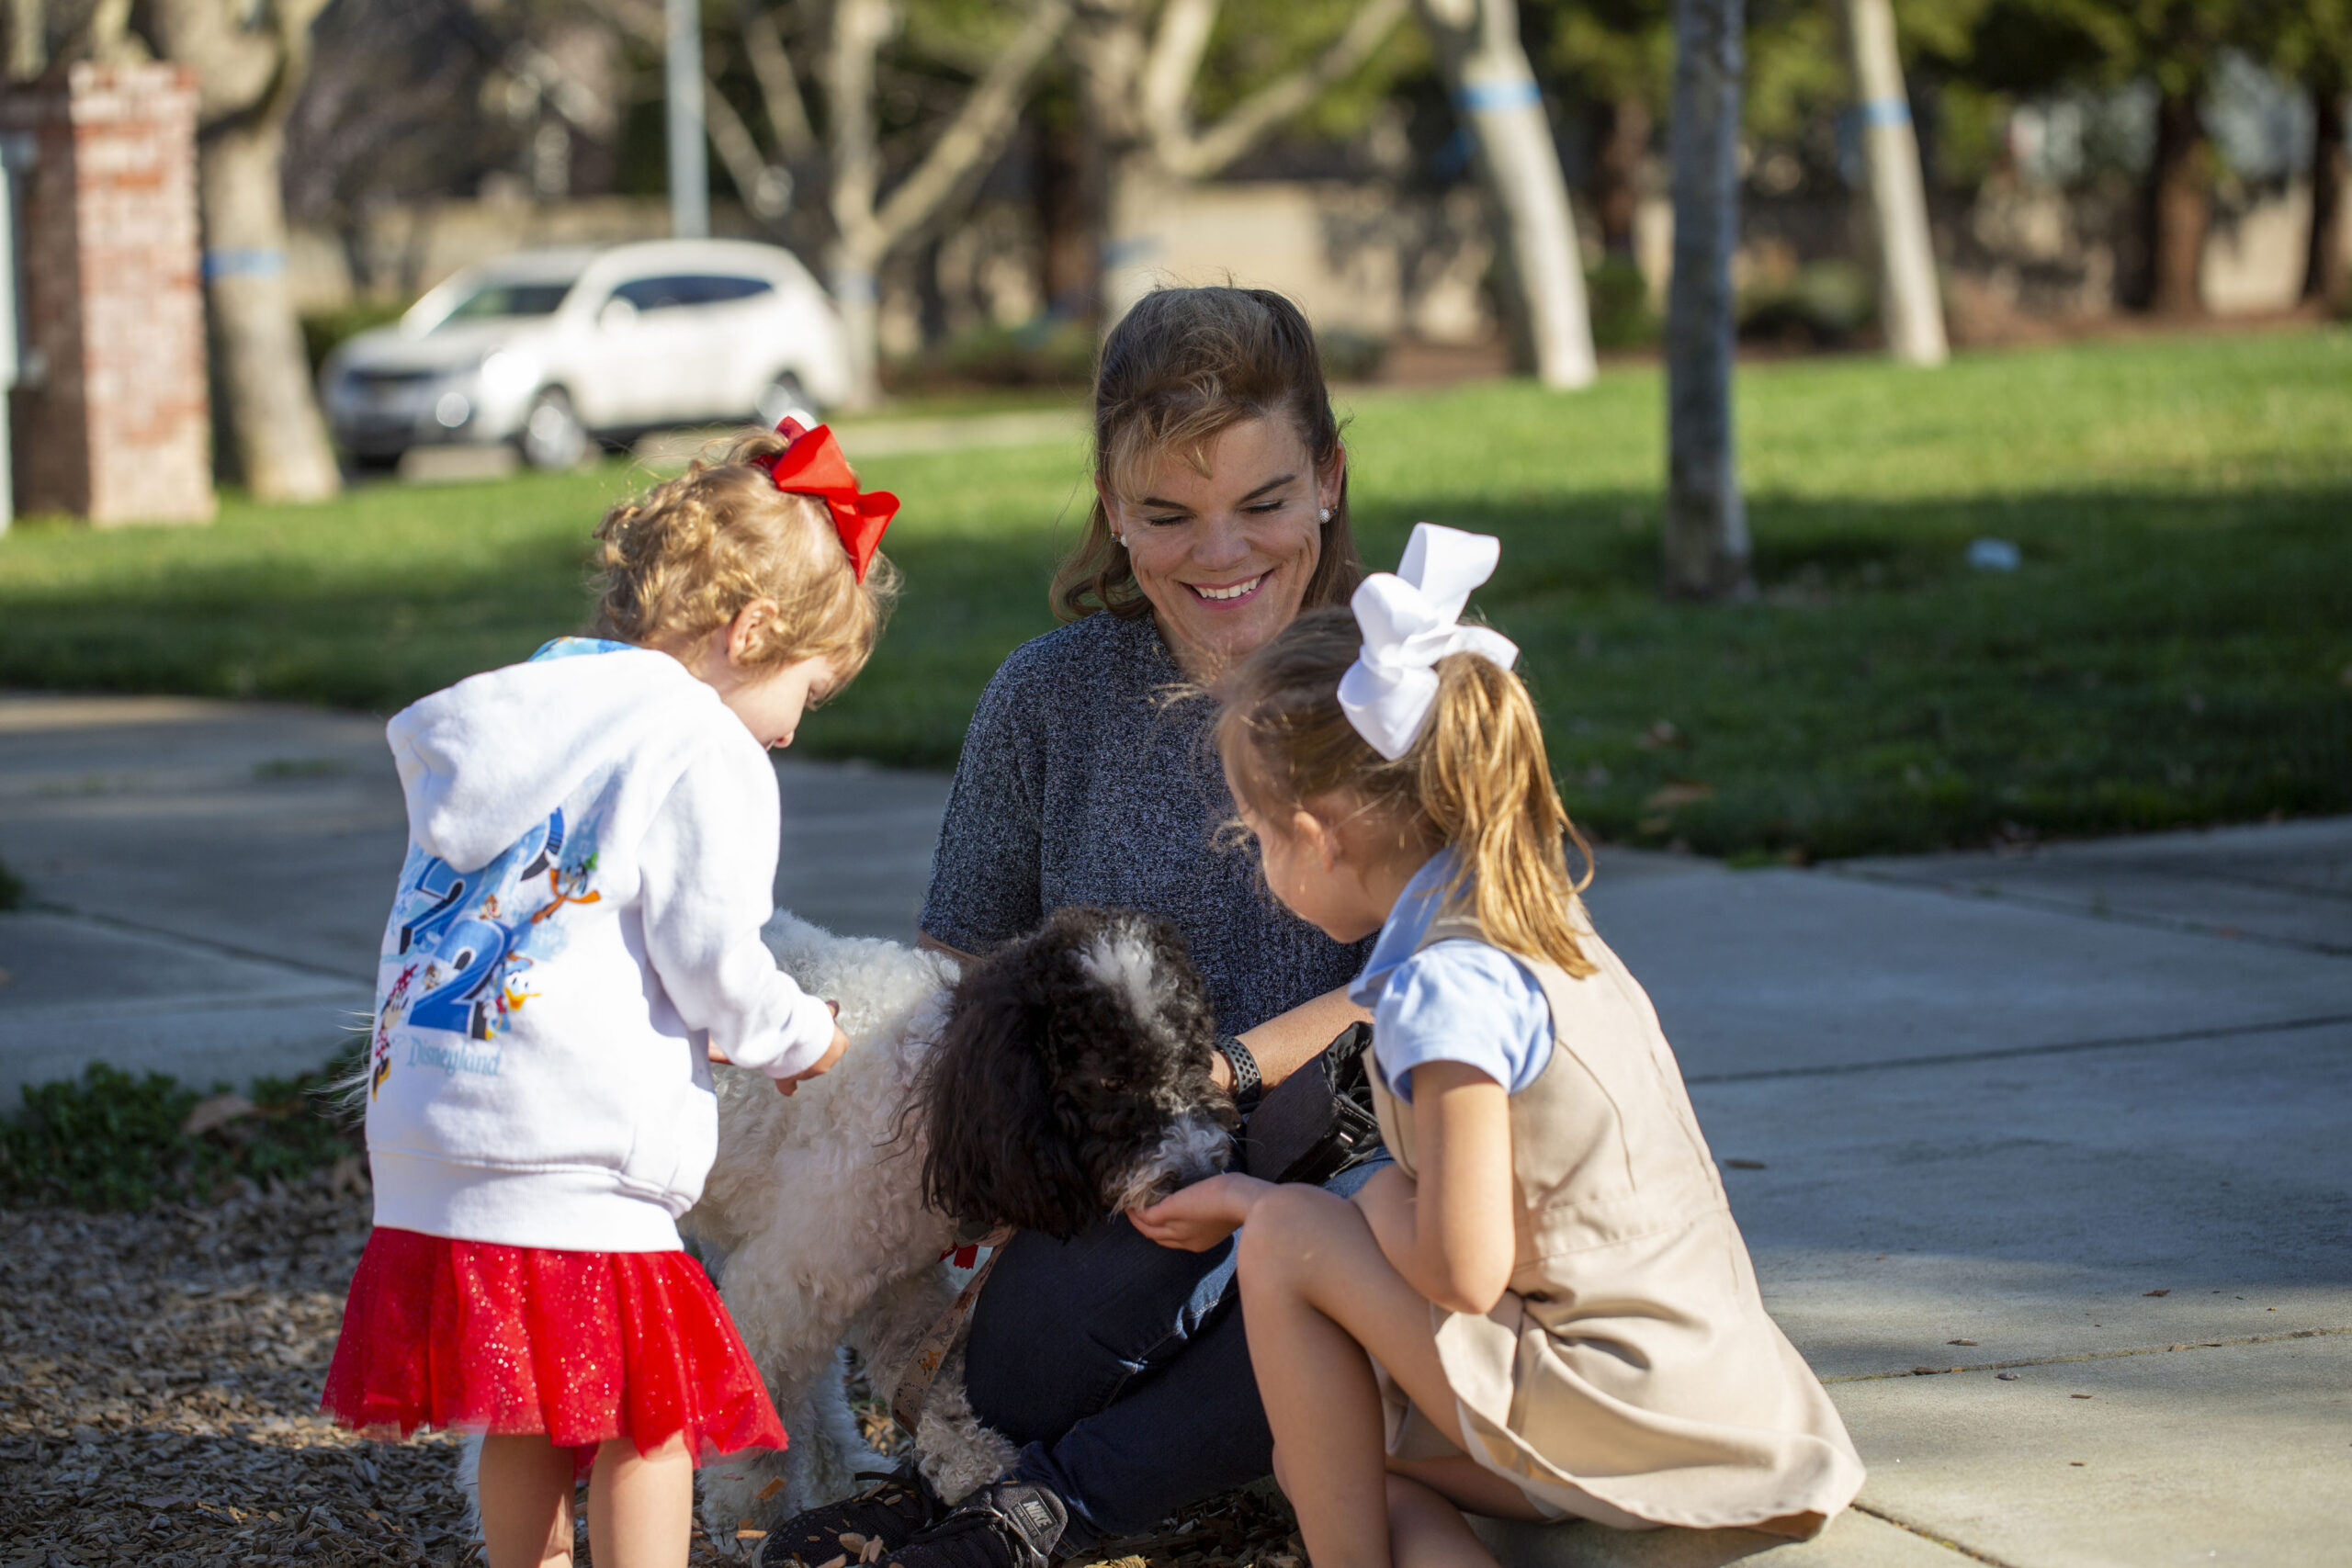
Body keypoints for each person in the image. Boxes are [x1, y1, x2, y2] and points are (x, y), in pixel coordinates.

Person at [763, 287, 1379, 1568]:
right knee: (1032, 1354)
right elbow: (955, 979)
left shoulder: (1412, 678)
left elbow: (1476, 963)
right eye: (1168, 514)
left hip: (1359, 1169)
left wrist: (1227, 1075)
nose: (1221, 552)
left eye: (1264, 501)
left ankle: (1032, 1512)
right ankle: (993, 1471)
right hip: (1126, 1185)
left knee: (1336, 1275)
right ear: (1111, 507)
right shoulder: (1049, 696)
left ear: (1327, 478)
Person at [1131, 524, 1868, 1568]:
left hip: (1612, 1408)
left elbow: (1463, 1271)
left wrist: (1334, 1203)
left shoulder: (1445, 994)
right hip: (1710, 1394)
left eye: (1255, 833)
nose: (1256, 861)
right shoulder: (1532, 920)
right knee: (1325, 1460)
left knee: (1293, 1235)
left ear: (1321, 834)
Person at [321, 422, 900, 1568]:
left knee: (525, 1402)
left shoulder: (525, 718)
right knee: (649, 1411)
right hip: (569, 1138)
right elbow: (714, 955)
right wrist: (799, 1036)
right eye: (808, 690)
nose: (793, 726)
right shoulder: (697, 740)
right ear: (751, 633)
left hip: (436, 1117)